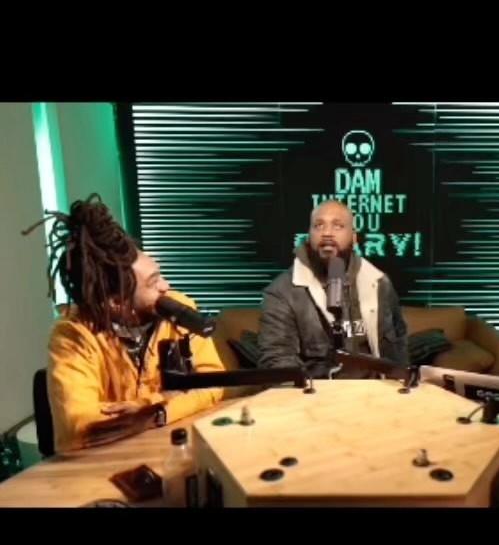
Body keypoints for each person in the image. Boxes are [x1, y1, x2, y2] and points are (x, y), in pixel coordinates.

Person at [23, 194, 226, 453]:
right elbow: (81, 423)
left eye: (159, 275)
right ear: (116, 302)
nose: (166, 286)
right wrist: (170, 399)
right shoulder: (72, 335)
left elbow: (213, 383)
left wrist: (152, 412)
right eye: (153, 283)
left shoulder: (178, 307)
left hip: (166, 447)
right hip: (99, 462)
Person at [258, 200, 408, 378]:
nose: (327, 233)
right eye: (318, 226)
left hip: (374, 391)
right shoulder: (282, 292)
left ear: (354, 237)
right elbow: (278, 362)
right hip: (315, 392)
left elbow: (398, 347)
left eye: (338, 226)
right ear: (308, 236)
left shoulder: (379, 283)